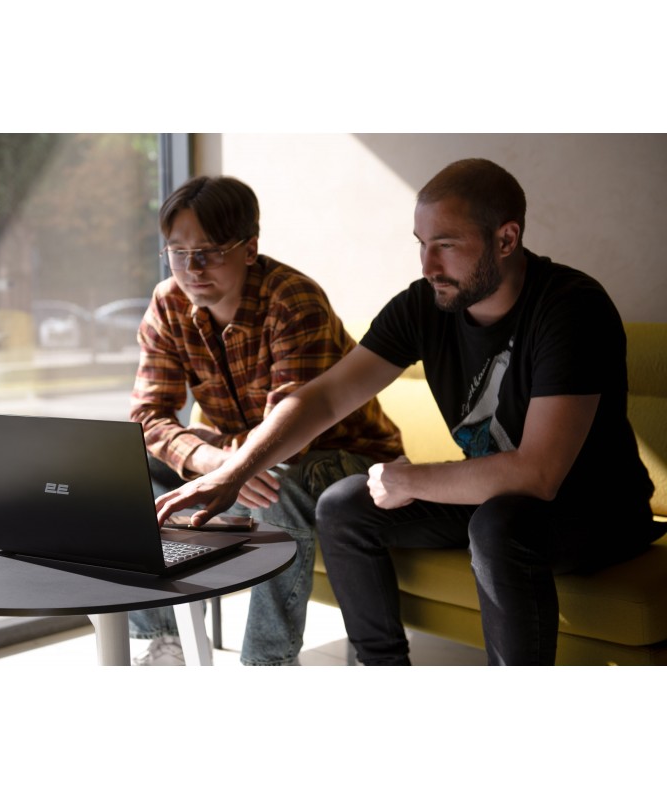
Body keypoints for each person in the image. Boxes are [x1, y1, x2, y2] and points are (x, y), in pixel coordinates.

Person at [154, 158, 658, 666]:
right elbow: (324, 398)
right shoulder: (425, 305)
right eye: (421, 243)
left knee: (498, 523)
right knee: (344, 504)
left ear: (506, 239)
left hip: (594, 512)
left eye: (446, 245)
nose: (428, 265)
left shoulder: (570, 308)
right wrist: (233, 472)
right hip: (496, 496)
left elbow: (539, 475)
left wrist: (413, 479)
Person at [128, 175, 403, 666]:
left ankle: (268, 663)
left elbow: (291, 427)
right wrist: (215, 461)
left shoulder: (292, 301)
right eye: (178, 252)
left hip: (346, 456)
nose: (192, 268)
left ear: (249, 248)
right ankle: (165, 640)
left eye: (210, 251)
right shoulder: (168, 304)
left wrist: (231, 462)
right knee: (131, 468)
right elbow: (148, 416)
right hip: (242, 456)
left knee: (279, 483)